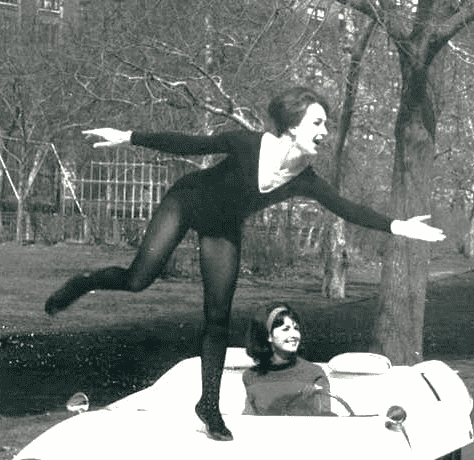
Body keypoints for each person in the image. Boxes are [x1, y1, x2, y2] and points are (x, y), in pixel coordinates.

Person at [45, 86, 444, 441]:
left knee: (218, 317)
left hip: (222, 228)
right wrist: (129, 136)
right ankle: (83, 282)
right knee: (137, 280)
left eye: (326, 124)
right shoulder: (246, 143)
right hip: (186, 202)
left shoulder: (304, 177)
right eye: (317, 123)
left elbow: (346, 208)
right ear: (292, 126)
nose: (325, 131)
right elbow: (189, 145)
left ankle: (209, 406)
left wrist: (398, 226)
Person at [242, 304, 330, 416]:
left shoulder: (314, 373)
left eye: (296, 328)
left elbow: (326, 420)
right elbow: (249, 418)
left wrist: (308, 404)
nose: (294, 335)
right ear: (268, 336)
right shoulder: (250, 376)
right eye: (286, 329)